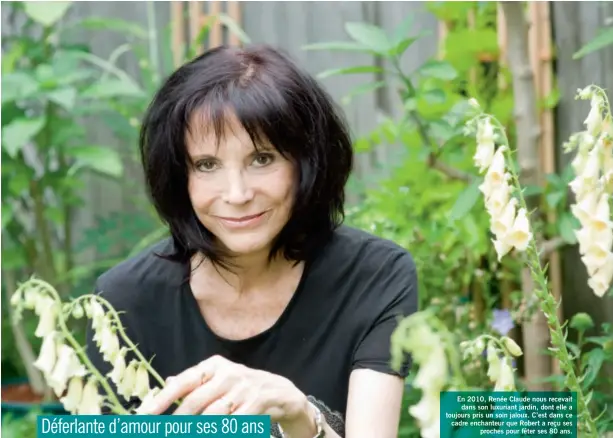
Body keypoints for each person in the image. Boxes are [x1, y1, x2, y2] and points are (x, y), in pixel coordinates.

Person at [85, 44, 418, 438]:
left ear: (307, 161)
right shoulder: (124, 301)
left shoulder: (374, 276)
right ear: (178, 177)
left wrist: (300, 418)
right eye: (207, 165)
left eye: (262, 159)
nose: (237, 193)